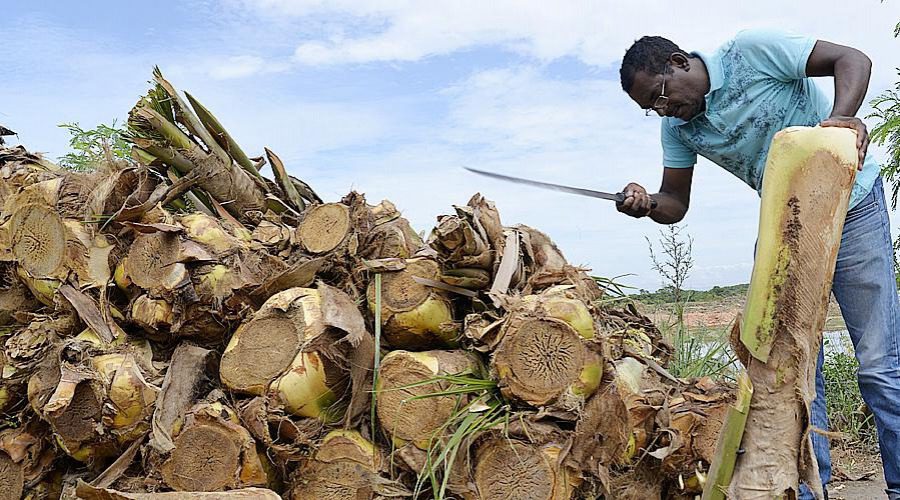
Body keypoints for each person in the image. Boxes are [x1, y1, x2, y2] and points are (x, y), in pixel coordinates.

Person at [618, 29, 900, 499]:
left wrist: (841, 119)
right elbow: (675, 203)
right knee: (792, 371)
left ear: (678, 62)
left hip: (852, 208)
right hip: (785, 230)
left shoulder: (750, 53)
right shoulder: (679, 129)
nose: (662, 111)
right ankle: (810, 489)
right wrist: (646, 203)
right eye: (651, 109)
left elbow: (852, 59)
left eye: (660, 97)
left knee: (878, 363)